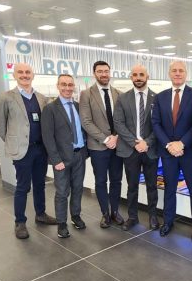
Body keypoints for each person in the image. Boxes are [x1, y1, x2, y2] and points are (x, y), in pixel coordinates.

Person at [0, 62, 57, 240]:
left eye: (28, 72)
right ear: (14, 75)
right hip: (23, 151)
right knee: (23, 186)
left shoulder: (42, 98)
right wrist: (13, 142)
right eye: (20, 72)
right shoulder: (6, 97)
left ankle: (41, 214)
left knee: (40, 184)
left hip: (40, 149)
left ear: (33, 75)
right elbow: (0, 124)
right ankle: (20, 222)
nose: (24, 75)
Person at [152, 60, 192, 238]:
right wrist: (169, 145)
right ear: (169, 74)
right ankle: (168, 222)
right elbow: (156, 123)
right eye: (174, 70)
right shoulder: (160, 97)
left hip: (189, 152)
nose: (177, 73)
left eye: (181, 70)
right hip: (168, 153)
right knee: (169, 189)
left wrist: (182, 143)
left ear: (186, 74)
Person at [112, 65, 160, 231]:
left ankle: (153, 216)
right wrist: (135, 143)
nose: (138, 77)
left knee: (152, 186)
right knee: (132, 186)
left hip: (150, 149)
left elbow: (159, 125)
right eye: (135, 75)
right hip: (130, 150)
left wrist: (147, 142)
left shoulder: (157, 98)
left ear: (147, 76)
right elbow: (118, 123)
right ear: (131, 77)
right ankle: (132, 217)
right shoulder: (122, 98)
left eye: (141, 74)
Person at [41, 74, 87, 238]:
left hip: (79, 155)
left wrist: (85, 152)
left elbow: (83, 129)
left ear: (74, 86)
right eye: (64, 84)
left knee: (78, 188)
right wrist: (55, 160)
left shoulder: (78, 106)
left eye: (70, 85)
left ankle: (76, 216)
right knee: (62, 192)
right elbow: (47, 137)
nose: (67, 88)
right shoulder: (50, 109)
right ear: (58, 86)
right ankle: (61, 223)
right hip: (61, 159)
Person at [79, 61, 124, 229]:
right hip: (98, 147)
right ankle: (105, 213)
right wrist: (106, 139)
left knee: (116, 180)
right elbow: (86, 121)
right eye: (100, 71)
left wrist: (116, 137)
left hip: (117, 145)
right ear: (94, 74)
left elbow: (123, 120)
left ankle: (115, 211)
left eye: (106, 71)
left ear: (110, 73)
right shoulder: (86, 94)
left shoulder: (119, 94)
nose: (104, 74)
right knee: (100, 181)